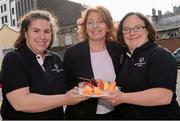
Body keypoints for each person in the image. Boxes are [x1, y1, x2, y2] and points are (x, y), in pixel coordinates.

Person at [0, 10, 88, 120]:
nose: (42, 36)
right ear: (25, 32)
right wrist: (65, 99)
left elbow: (67, 88)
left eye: (47, 31)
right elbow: (21, 103)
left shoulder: (55, 59)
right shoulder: (13, 59)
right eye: (36, 31)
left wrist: (90, 86)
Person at [103, 12, 180, 119]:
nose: (132, 32)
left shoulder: (160, 55)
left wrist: (123, 97)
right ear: (122, 34)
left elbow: (163, 96)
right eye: (126, 29)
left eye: (137, 27)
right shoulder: (125, 58)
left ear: (147, 30)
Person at [63, 5, 124, 119]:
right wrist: (83, 88)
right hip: (83, 114)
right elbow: (67, 86)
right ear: (85, 27)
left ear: (108, 26)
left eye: (100, 21)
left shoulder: (119, 49)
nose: (95, 26)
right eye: (90, 22)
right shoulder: (72, 53)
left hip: (115, 114)